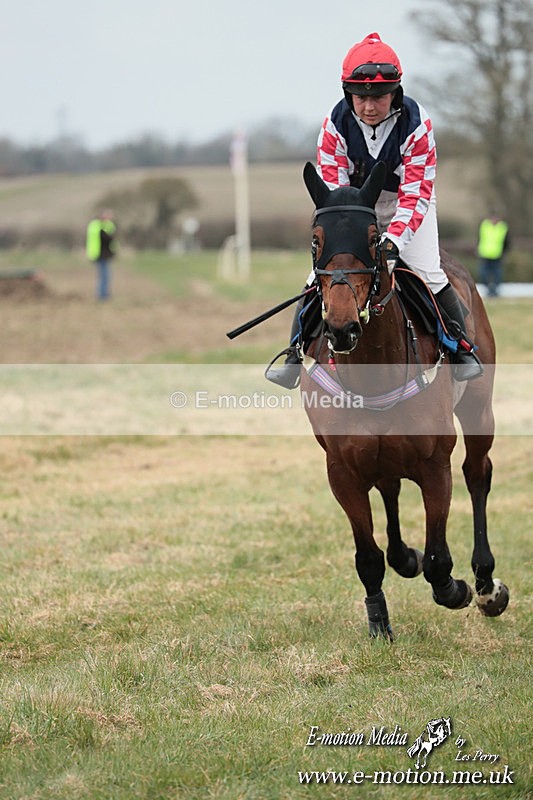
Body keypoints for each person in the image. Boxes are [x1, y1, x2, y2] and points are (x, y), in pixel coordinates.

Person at [267, 32, 483, 388]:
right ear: (347, 93)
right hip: (354, 210)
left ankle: (459, 349)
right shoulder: (334, 125)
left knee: (429, 272)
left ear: (395, 92)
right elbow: (336, 196)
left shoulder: (417, 124)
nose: (369, 106)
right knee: (317, 278)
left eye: (378, 97)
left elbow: (415, 194)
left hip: (407, 203)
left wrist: (394, 242)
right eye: (360, 97)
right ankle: (293, 354)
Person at [86, 210, 117, 300]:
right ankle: (102, 295)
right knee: (104, 275)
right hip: (99, 255)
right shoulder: (96, 226)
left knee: (104, 275)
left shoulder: (107, 225)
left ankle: (103, 294)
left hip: (104, 254)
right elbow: (107, 239)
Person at [477, 214, 510, 298]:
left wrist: (504, 253)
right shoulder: (484, 226)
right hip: (484, 254)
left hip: (497, 255)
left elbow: (507, 242)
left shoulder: (503, 228)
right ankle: (489, 289)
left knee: (497, 276)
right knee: (482, 274)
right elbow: (479, 238)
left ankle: (494, 292)